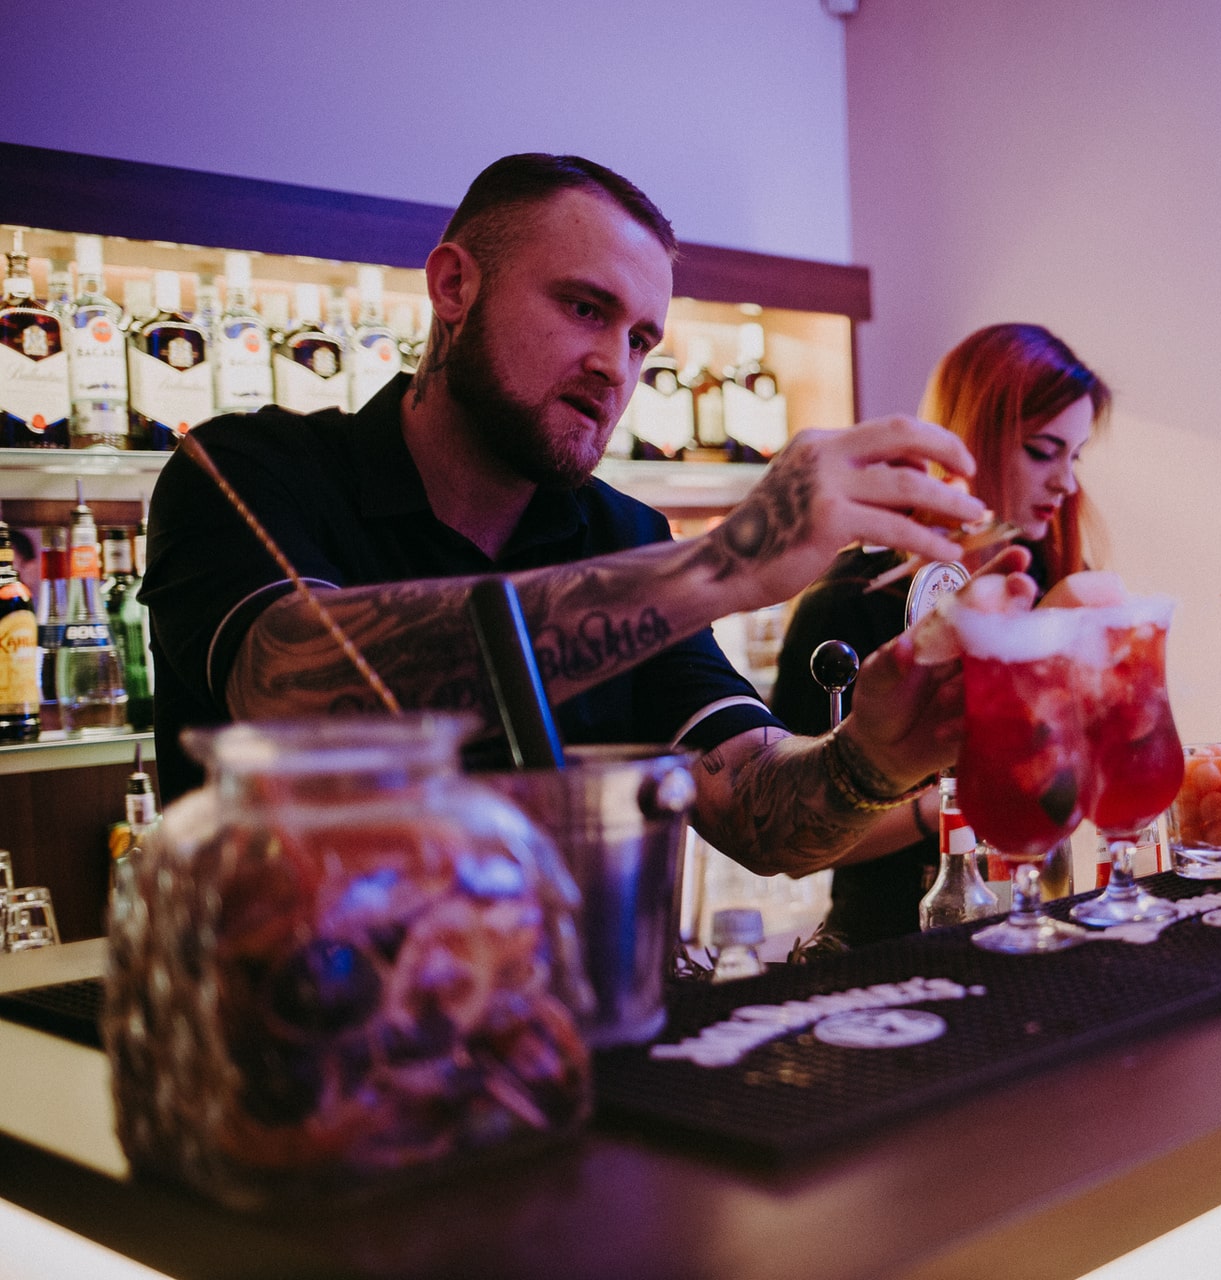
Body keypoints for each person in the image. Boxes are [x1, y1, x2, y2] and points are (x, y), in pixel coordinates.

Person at [141, 153, 991, 877]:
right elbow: (291, 688)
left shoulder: (623, 536)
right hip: (300, 1010)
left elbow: (749, 805)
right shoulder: (249, 471)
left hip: (570, 1008)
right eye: (586, 308)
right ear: (454, 286)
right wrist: (724, 564)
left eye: (640, 340)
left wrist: (879, 758)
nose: (614, 366)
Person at [770, 323, 1110, 945]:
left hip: (1037, 925)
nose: (1066, 482)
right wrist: (959, 799)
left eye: (1075, 455)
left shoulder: (1050, 579)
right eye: (1043, 451)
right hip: (889, 951)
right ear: (970, 439)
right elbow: (791, 842)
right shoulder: (851, 602)